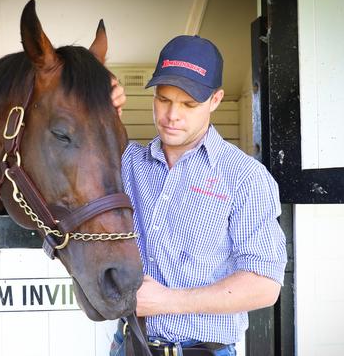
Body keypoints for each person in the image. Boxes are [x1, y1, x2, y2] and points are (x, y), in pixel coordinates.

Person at [108, 35, 287, 356]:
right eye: (163, 99)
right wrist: (99, 100)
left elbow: (265, 285)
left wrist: (168, 301)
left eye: (189, 104)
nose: (172, 115)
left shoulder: (244, 177)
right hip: (128, 347)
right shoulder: (128, 163)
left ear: (215, 100)